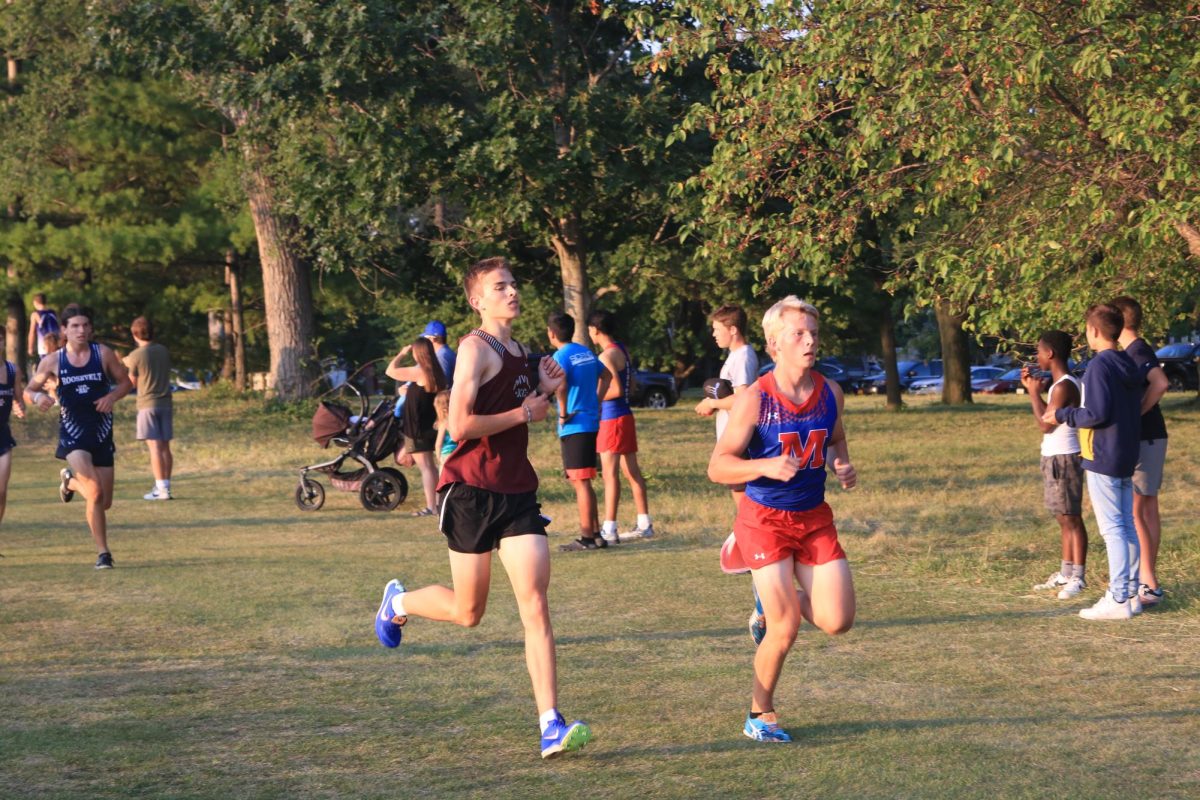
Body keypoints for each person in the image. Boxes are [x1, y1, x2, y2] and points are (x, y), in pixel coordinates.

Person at [373, 257, 590, 759]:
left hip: (516, 493)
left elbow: (524, 411)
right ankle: (398, 603)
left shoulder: (522, 351)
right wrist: (527, 408)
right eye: (500, 286)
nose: (512, 292)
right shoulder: (474, 349)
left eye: (514, 283)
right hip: (469, 491)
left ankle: (550, 723)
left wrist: (545, 390)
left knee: (534, 604)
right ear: (478, 300)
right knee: (468, 612)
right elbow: (463, 423)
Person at [708, 296, 856, 743]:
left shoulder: (831, 392)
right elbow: (718, 467)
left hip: (814, 518)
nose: (809, 340)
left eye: (812, 332)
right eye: (798, 334)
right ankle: (760, 713)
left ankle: (772, 593)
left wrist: (842, 464)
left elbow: (837, 436)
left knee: (837, 621)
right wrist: (763, 466)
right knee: (786, 625)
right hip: (763, 520)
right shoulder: (754, 399)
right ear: (774, 345)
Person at [1044, 304, 1145, 620]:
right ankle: (1130, 595)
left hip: (1103, 454)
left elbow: (1097, 414)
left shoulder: (1101, 366)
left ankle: (1117, 599)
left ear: (1095, 332)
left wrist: (1062, 414)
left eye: (1087, 329)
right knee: (1127, 526)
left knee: (1114, 528)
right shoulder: (1127, 363)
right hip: (1126, 452)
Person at [24, 304, 133, 569]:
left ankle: (69, 482)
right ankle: (103, 554)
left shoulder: (103, 354)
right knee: (94, 493)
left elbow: (126, 383)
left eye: (85, 325)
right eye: (74, 326)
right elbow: (29, 390)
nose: (81, 330)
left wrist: (111, 397)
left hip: (102, 432)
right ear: (64, 330)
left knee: (104, 502)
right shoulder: (53, 361)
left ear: (91, 329)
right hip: (73, 434)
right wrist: (38, 397)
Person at [695, 305, 762, 636]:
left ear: (732, 329)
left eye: (717, 328)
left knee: (748, 512)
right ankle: (757, 566)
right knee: (743, 510)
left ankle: (760, 573)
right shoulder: (734, 357)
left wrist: (712, 403)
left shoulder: (744, 356)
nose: (714, 333)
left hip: (741, 448)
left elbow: (746, 398)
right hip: (731, 446)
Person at [1110, 296, 1170, 607]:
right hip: (1151, 438)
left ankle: (1149, 583)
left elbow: (1160, 383)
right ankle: (1148, 580)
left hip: (1146, 438)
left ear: (1120, 320)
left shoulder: (1137, 350)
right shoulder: (1136, 350)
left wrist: (1137, 413)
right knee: (1146, 509)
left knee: (1138, 512)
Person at [1021, 331, 1089, 599]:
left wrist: (1032, 393)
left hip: (1065, 457)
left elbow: (1044, 426)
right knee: (1062, 517)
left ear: (1050, 353)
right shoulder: (1058, 384)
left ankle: (1078, 577)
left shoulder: (1063, 386)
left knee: (1072, 517)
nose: (1037, 356)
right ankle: (1065, 572)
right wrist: (1036, 391)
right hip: (1053, 457)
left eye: (1039, 351)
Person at [588, 309, 653, 543]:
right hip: (625, 416)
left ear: (595, 330)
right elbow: (632, 384)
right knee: (631, 472)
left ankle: (609, 528)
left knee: (610, 475)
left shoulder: (605, 356)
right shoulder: (622, 350)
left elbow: (614, 389)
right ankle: (644, 523)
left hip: (612, 418)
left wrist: (592, 398)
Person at [547, 311, 604, 552]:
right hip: (590, 421)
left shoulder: (560, 356)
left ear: (551, 334)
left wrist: (562, 412)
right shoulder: (586, 352)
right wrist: (596, 401)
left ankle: (586, 537)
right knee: (585, 481)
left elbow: (560, 384)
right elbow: (608, 375)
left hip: (574, 424)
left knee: (580, 482)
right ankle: (597, 533)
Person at [385, 337, 448, 516]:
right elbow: (423, 395)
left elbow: (391, 371)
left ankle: (431, 507)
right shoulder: (436, 372)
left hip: (416, 428)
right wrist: (408, 391)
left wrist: (401, 354)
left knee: (426, 468)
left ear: (417, 352)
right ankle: (437, 503)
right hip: (430, 426)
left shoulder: (419, 371)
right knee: (432, 467)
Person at [123, 317, 175, 500]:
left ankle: (161, 490)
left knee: (154, 447)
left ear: (134, 334)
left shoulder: (136, 355)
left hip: (147, 404)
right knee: (165, 447)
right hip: (166, 403)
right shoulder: (163, 350)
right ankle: (165, 486)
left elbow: (132, 382)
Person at [0, 327, 27, 532]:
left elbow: (19, 398)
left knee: (1, 491)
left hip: (3, 438)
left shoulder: (12, 370)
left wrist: (19, 407)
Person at [422, 320, 457, 387]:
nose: (424, 341)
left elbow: (441, 384)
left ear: (433, 339)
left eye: (426, 338)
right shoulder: (440, 353)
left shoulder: (442, 356)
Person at [27, 293, 60, 362]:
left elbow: (32, 332)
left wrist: (30, 348)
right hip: (56, 345)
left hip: (44, 347)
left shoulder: (35, 314)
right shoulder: (53, 312)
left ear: (35, 303)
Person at [433, 390, 456, 471]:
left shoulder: (444, 423)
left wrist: (438, 457)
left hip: (446, 454)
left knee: (445, 480)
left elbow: (439, 444)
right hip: (458, 453)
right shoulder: (457, 421)